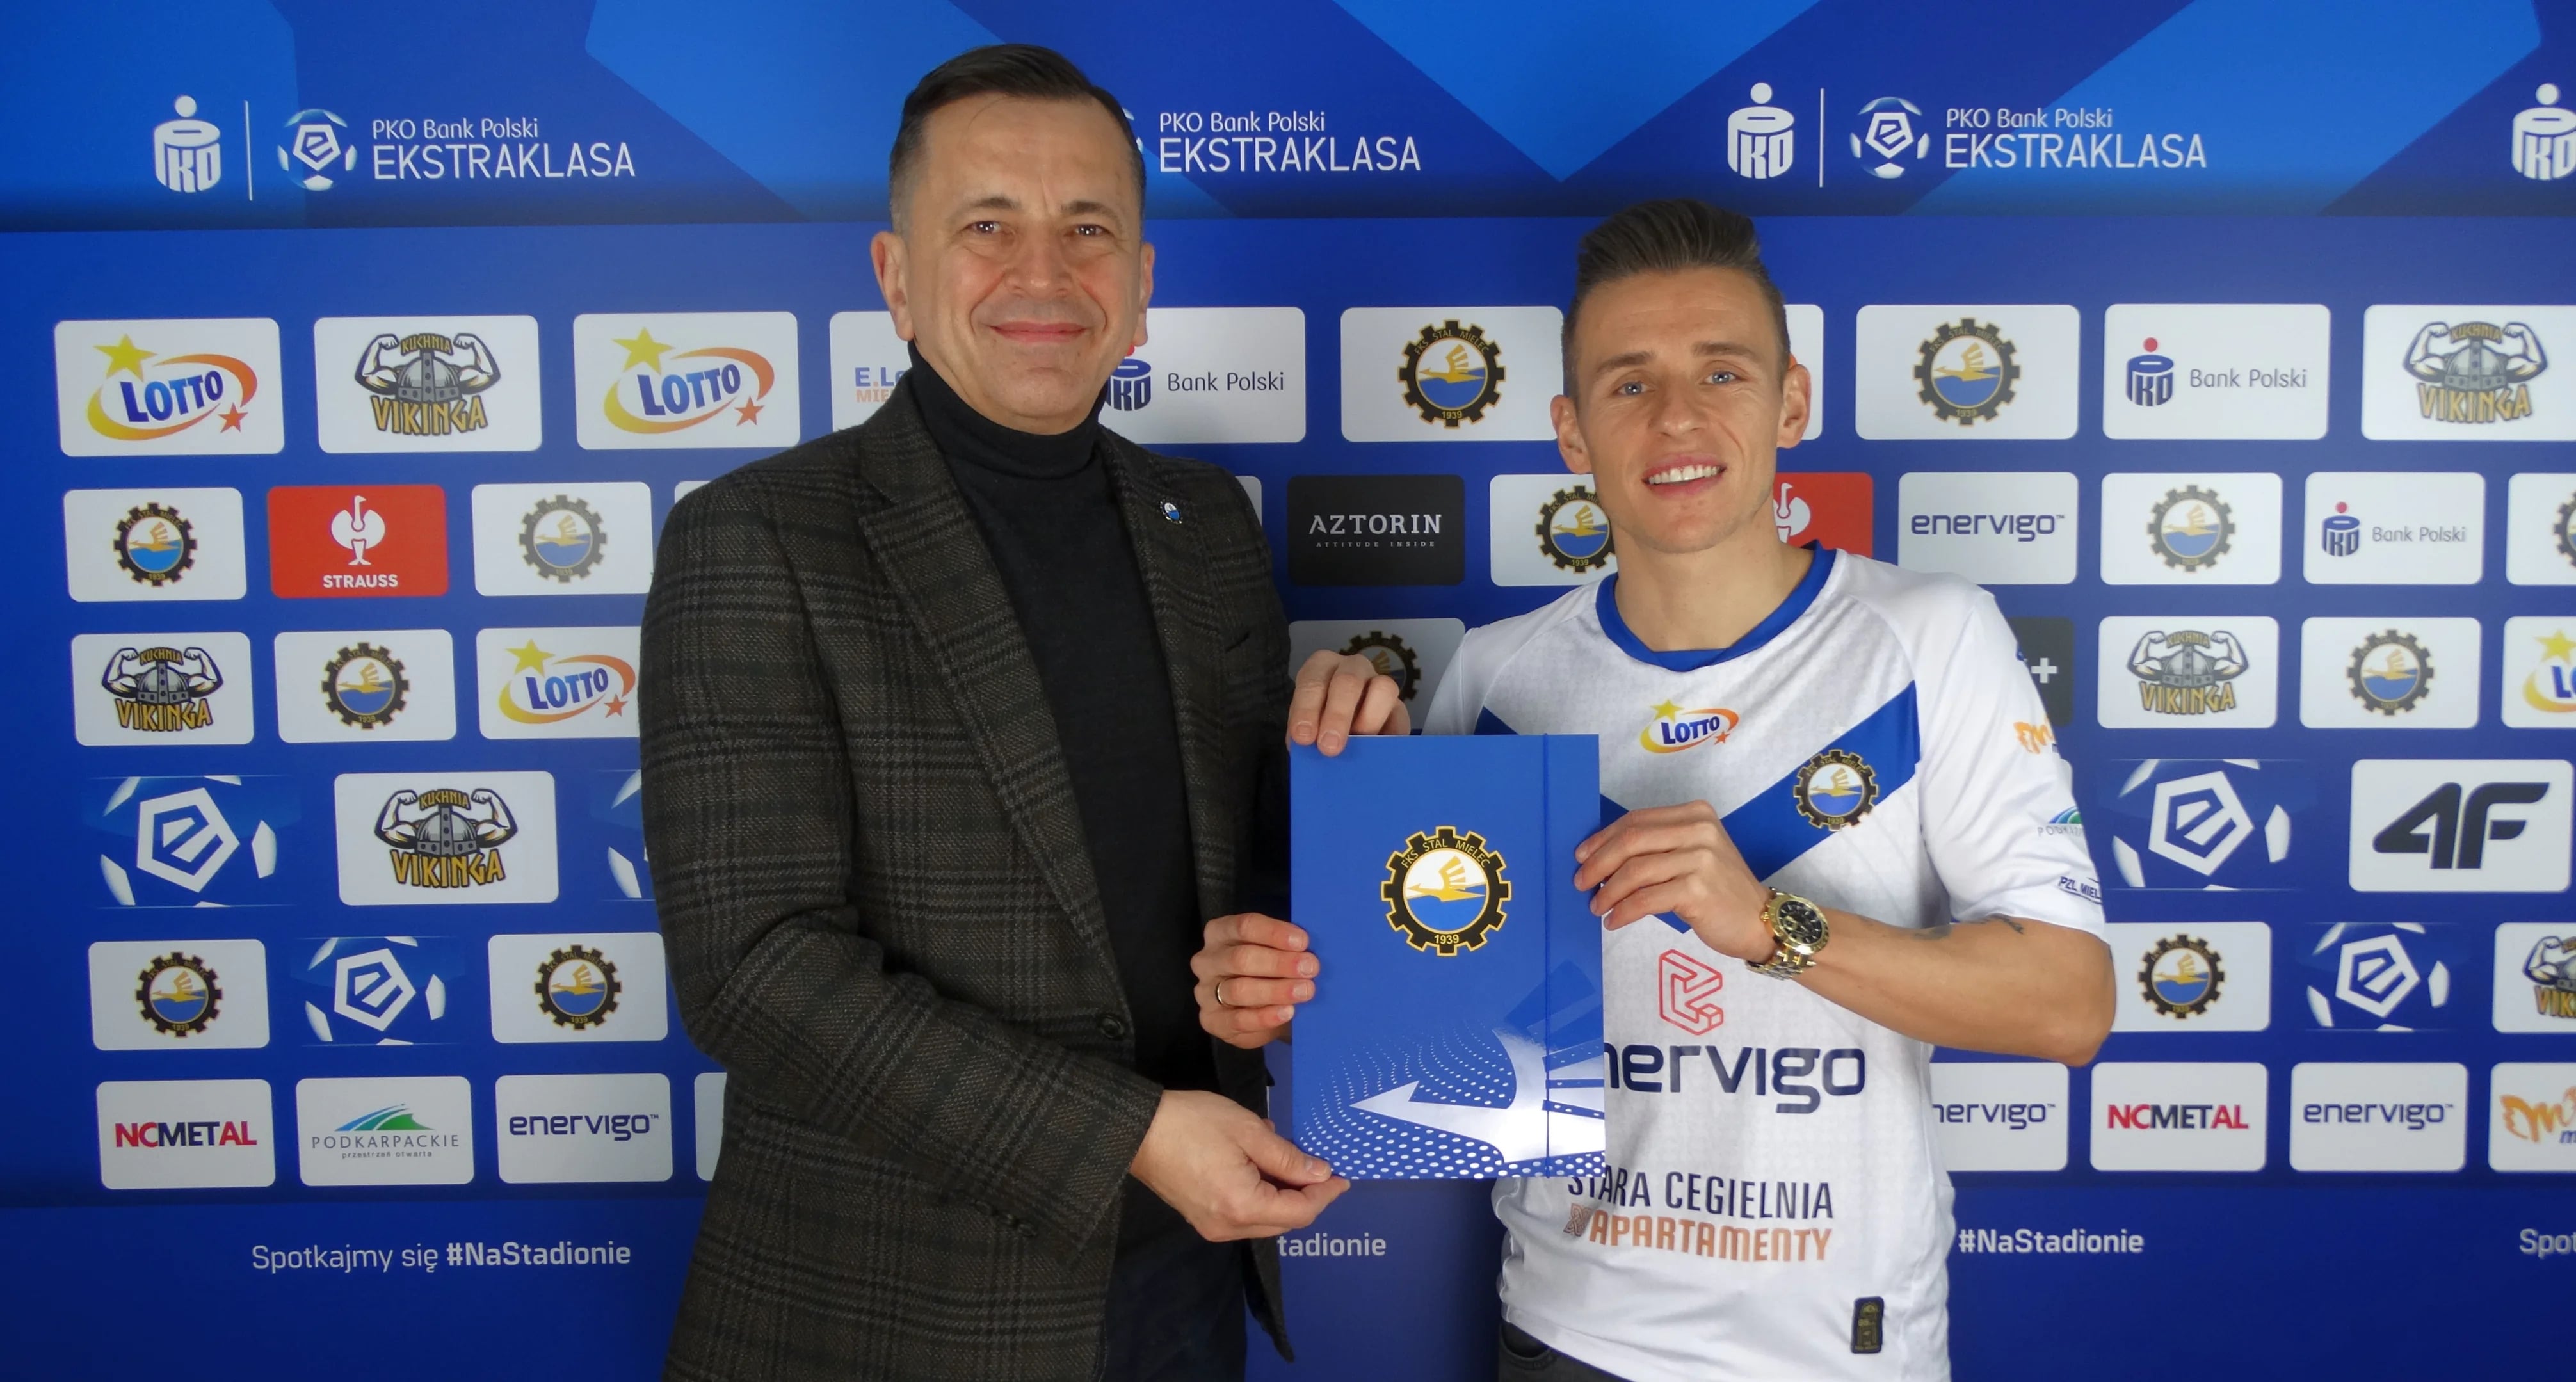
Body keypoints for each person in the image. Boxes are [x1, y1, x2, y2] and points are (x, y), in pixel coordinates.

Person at [1191, 199, 2115, 1381]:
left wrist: (1768, 925)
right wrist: (1283, 1002)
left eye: (1722, 371)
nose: (1678, 416)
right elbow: (1433, 1025)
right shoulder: (1497, 675)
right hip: (1567, 1335)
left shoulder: (1928, 635)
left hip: (1838, 1351)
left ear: (1791, 402)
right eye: (1629, 383)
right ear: (1572, 433)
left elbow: (2068, 1005)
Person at [641, 44, 1404, 1382]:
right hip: (885, 1308)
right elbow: (755, 970)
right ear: (896, 277)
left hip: (1182, 1277)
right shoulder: (756, 538)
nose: (1043, 274)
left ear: (1141, 284)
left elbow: (1239, 889)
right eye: (986, 226)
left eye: (1087, 230)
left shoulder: (1205, 526)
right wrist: (1127, 1136)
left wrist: (1355, 794)